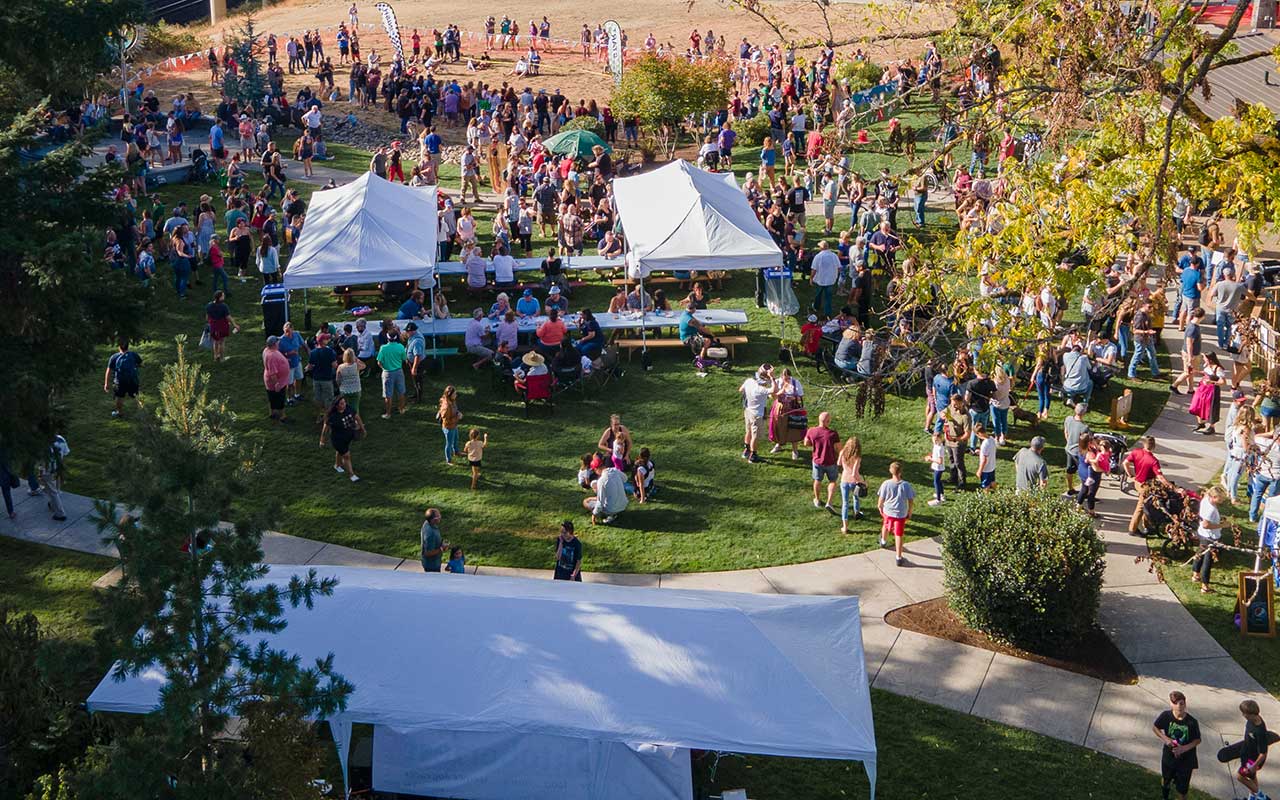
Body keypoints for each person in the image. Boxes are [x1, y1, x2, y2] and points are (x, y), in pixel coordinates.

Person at [1153, 691, 1201, 800]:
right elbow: (1155, 727)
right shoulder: (1166, 716)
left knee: (1182, 790)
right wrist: (1165, 738)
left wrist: (1183, 749)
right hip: (1168, 758)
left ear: (1185, 704)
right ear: (1171, 704)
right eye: (1176, 703)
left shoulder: (1192, 722)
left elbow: (1197, 740)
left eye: (1182, 703)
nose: (1179, 706)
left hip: (1186, 761)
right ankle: (1165, 797)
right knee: (1166, 780)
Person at [1124, 436, 1174, 535]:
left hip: (1137, 482)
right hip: (1146, 486)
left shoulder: (1136, 452)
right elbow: (1160, 477)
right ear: (1154, 446)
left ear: (1143, 444)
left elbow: (1125, 463)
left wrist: (1130, 474)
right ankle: (1132, 529)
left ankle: (1146, 525)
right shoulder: (1153, 461)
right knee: (1141, 507)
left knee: (1146, 505)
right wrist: (1171, 486)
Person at [1221, 699, 1269, 800]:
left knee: (1240, 776)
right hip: (1247, 754)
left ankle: (1261, 796)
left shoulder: (1260, 730)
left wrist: (1254, 766)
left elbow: (1263, 753)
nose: (1243, 715)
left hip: (1253, 760)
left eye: (1244, 713)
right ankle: (1253, 796)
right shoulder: (1251, 720)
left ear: (1251, 714)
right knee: (1252, 777)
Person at [877, 461, 915, 567]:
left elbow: (881, 499)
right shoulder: (906, 485)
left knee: (885, 525)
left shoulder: (886, 484)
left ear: (890, 471)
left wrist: (880, 506)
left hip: (888, 511)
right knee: (898, 534)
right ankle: (898, 557)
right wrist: (909, 511)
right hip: (900, 514)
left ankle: (883, 541)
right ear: (900, 472)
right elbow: (911, 500)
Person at [804, 411, 841, 512]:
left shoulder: (811, 431)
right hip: (831, 461)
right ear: (828, 421)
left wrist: (816, 444)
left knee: (817, 480)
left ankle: (817, 499)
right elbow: (838, 448)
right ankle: (829, 502)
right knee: (832, 481)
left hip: (817, 461)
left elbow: (806, 443)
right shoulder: (833, 434)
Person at [320, 395, 363, 482]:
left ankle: (337, 465)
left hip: (348, 436)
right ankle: (352, 475)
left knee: (341, 452)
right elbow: (325, 429)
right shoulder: (332, 416)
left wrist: (362, 428)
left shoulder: (348, 408)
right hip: (338, 440)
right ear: (337, 406)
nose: (344, 404)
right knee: (346, 456)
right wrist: (322, 440)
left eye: (344, 402)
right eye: (342, 403)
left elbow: (356, 416)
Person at [1191, 486, 1224, 593]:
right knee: (1207, 561)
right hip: (1210, 538)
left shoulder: (1205, 500)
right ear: (1213, 497)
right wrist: (1222, 525)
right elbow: (1206, 524)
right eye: (1220, 498)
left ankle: (1195, 574)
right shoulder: (1211, 509)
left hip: (1202, 534)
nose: (1222, 500)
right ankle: (1205, 586)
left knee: (1199, 554)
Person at [768, 367, 806, 458]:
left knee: (793, 428)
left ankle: (795, 450)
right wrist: (781, 391)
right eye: (784, 377)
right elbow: (772, 395)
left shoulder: (795, 383)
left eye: (788, 378)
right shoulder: (777, 382)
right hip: (779, 408)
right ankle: (779, 445)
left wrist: (793, 398)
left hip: (792, 407)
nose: (786, 379)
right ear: (781, 376)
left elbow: (800, 396)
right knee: (778, 426)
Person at [739, 366, 772, 463]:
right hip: (757, 414)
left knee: (748, 431)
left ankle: (746, 451)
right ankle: (753, 456)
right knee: (755, 436)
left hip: (748, 411)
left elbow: (741, 390)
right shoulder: (761, 390)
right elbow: (774, 390)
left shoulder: (749, 381)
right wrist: (772, 378)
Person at [104, 339, 142, 418]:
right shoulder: (134, 354)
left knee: (119, 397)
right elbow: (141, 363)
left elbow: (108, 371)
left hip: (120, 382)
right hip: (132, 380)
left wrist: (106, 384)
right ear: (128, 346)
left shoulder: (114, 357)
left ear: (119, 347)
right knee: (137, 396)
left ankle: (119, 412)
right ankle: (141, 412)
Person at [1190, 351, 1225, 435]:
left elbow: (1223, 382)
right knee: (1197, 404)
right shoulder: (1206, 366)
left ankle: (1212, 427)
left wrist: (1212, 382)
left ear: (1210, 359)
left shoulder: (1217, 369)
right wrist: (1196, 371)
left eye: (1205, 357)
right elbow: (1206, 373)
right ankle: (1201, 423)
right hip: (1202, 388)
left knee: (1211, 408)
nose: (1203, 359)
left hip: (1212, 391)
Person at [376, 327, 407, 419]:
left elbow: (379, 362)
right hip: (399, 371)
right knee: (401, 392)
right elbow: (404, 359)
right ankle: (401, 409)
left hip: (387, 373)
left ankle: (388, 413)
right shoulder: (401, 347)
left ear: (387, 338)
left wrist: (383, 368)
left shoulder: (383, 348)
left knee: (388, 395)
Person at [262, 335, 292, 424]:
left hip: (276, 381)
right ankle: (282, 416)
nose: (279, 342)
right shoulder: (271, 356)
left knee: (273, 398)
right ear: (274, 344)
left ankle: (273, 413)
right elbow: (273, 372)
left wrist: (284, 361)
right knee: (279, 399)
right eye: (277, 341)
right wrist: (277, 384)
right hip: (276, 382)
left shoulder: (268, 350)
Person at [837, 436, 865, 533]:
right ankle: (856, 512)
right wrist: (862, 481)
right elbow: (854, 473)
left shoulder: (842, 453)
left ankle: (845, 527)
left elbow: (838, 463)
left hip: (844, 480)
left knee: (845, 503)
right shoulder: (857, 457)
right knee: (855, 497)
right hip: (854, 481)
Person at [1063, 403, 1091, 497]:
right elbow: (1084, 442)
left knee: (1069, 470)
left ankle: (1070, 489)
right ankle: (1085, 492)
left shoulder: (1068, 419)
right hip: (1077, 452)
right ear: (1084, 413)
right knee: (1084, 471)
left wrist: (1069, 442)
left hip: (1068, 449)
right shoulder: (1084, 427)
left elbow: (1066, 432)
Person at [205, 291, 239, 363]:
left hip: (213, 326)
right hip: (222, 325)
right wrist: (235, 324)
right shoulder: (223, 306)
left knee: (215, 341)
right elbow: (228, 317)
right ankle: (221, 358)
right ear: (220, 297)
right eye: (223, 296)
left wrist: (210, 323)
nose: (224, 296)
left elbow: (207, 317)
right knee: (221, 342)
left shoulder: (209, 305)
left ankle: (215, 356)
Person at [810, 240, 840, 317]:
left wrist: (811, 278)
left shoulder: (818, 256)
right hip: (830, 280)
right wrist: (835, 275)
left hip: (820, 279)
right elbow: (839, 267)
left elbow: (814, 269)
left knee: (818, 295)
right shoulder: (834, 255)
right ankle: (827, 313)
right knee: (828, 297)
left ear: (821, 248)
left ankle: (816, 307)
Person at [335, 348, 365, 420]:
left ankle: (346, 420)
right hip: (356, 389)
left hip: (344, 390)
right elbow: (364, 366)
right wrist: (357, 359)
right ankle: (356, 423)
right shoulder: (356, 365)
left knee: (344, 407)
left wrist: (339, 386)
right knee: (355, 407)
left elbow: (337, 379)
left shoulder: (340, 367)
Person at [437, 385, 462, 465]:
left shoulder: (452, 401)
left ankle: (456, 452)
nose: (456, 395)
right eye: (454, 394)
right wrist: (457, 417)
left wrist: (458, 413)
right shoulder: (446, 407)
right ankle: (449, 460)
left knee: (456, 439)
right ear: (449, 395)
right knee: (449, 444)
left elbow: (455, 409)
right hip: (448, 428)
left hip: (454, 425)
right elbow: (447, 421)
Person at [419, 508, 446, 572]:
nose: (440, 517)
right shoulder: (430, 534)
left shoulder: (427, 523)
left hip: (432, 563)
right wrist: (442, 548)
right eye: (439, 516)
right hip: (432, 566)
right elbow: (427, 553)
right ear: (434, 520)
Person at [925, 430, 947, 506]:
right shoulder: (936, 445)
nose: (934, 441)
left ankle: (938, 500)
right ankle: (942, 495)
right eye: (933, 439)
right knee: (938, 481)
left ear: (940, 439)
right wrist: (930, 456)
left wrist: (930, 459)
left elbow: (940, 461)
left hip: (938, 468)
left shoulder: (940, 448)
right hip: (936, 467)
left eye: (936, 440)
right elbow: (934, 453)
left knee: (936, 482)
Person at [975, 423, 997, 490]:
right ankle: (996, 491)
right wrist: (981, 452)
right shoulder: (992, 439)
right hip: (992, 466)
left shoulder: (984, 444)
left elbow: (984, 460)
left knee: (985, 485)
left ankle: (986, 497)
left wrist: (980, 470)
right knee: (992, 480)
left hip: (986, 469)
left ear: (979, 433)